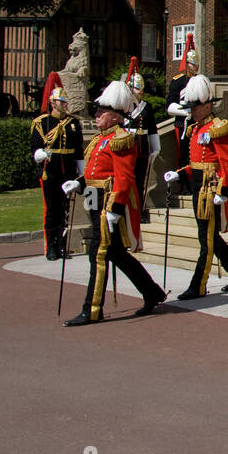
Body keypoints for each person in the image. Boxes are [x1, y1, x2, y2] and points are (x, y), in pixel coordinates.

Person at [60, 79, 167, 326]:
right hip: (94, 199)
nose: (96, 114)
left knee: (97, 255)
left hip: (109, 204)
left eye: (101, 112)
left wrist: (115, 209)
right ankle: (151, 292)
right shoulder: (101, 138)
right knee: (116, 254)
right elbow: (95, 172)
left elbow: (124, 177)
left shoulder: (121, 138)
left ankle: (92, 308)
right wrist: (79, 183)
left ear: (116, 117)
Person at [163, 74, 228, 299]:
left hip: (211, 190)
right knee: (208, 235)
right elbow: (196, 164)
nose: (191, 111)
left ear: (207, 105)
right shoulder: (195, 129)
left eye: (195, 107)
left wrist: (224, 191)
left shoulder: (218, 128)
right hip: (198, 188)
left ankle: (198, 285)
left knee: (206, 239)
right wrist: (179, 174)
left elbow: (227, 164)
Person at [30, 73, 84, 260]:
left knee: (65, 210)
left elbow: (78, 150)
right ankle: (51, 247)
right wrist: (41, 154)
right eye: (61, 102)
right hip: (50, 170)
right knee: (51, 210)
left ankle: (62, 245)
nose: (64, 105)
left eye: (65, 102)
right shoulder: (41, 123)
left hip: (67, 170)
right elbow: (35, 148)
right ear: (53, 103)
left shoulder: (73, 123)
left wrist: (81, 172)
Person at [122, 57, 159, 223]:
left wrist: (156, 148)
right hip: (128, 145)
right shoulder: (123, 106)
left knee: (140, 180)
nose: (138, 92)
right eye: (136, 89)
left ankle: (139, 210)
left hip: (142, 147)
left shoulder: (146, 107)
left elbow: (152, 129)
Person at [165, 34, 198, 148]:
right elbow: (170, 106)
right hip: (182, 123)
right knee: (183, 155)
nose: (196, 67)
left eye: (196, 64)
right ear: (187, 64)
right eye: (193, 64)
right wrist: (186, 112)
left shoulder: (200, 80)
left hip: (198, 122)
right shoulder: (177, 81)